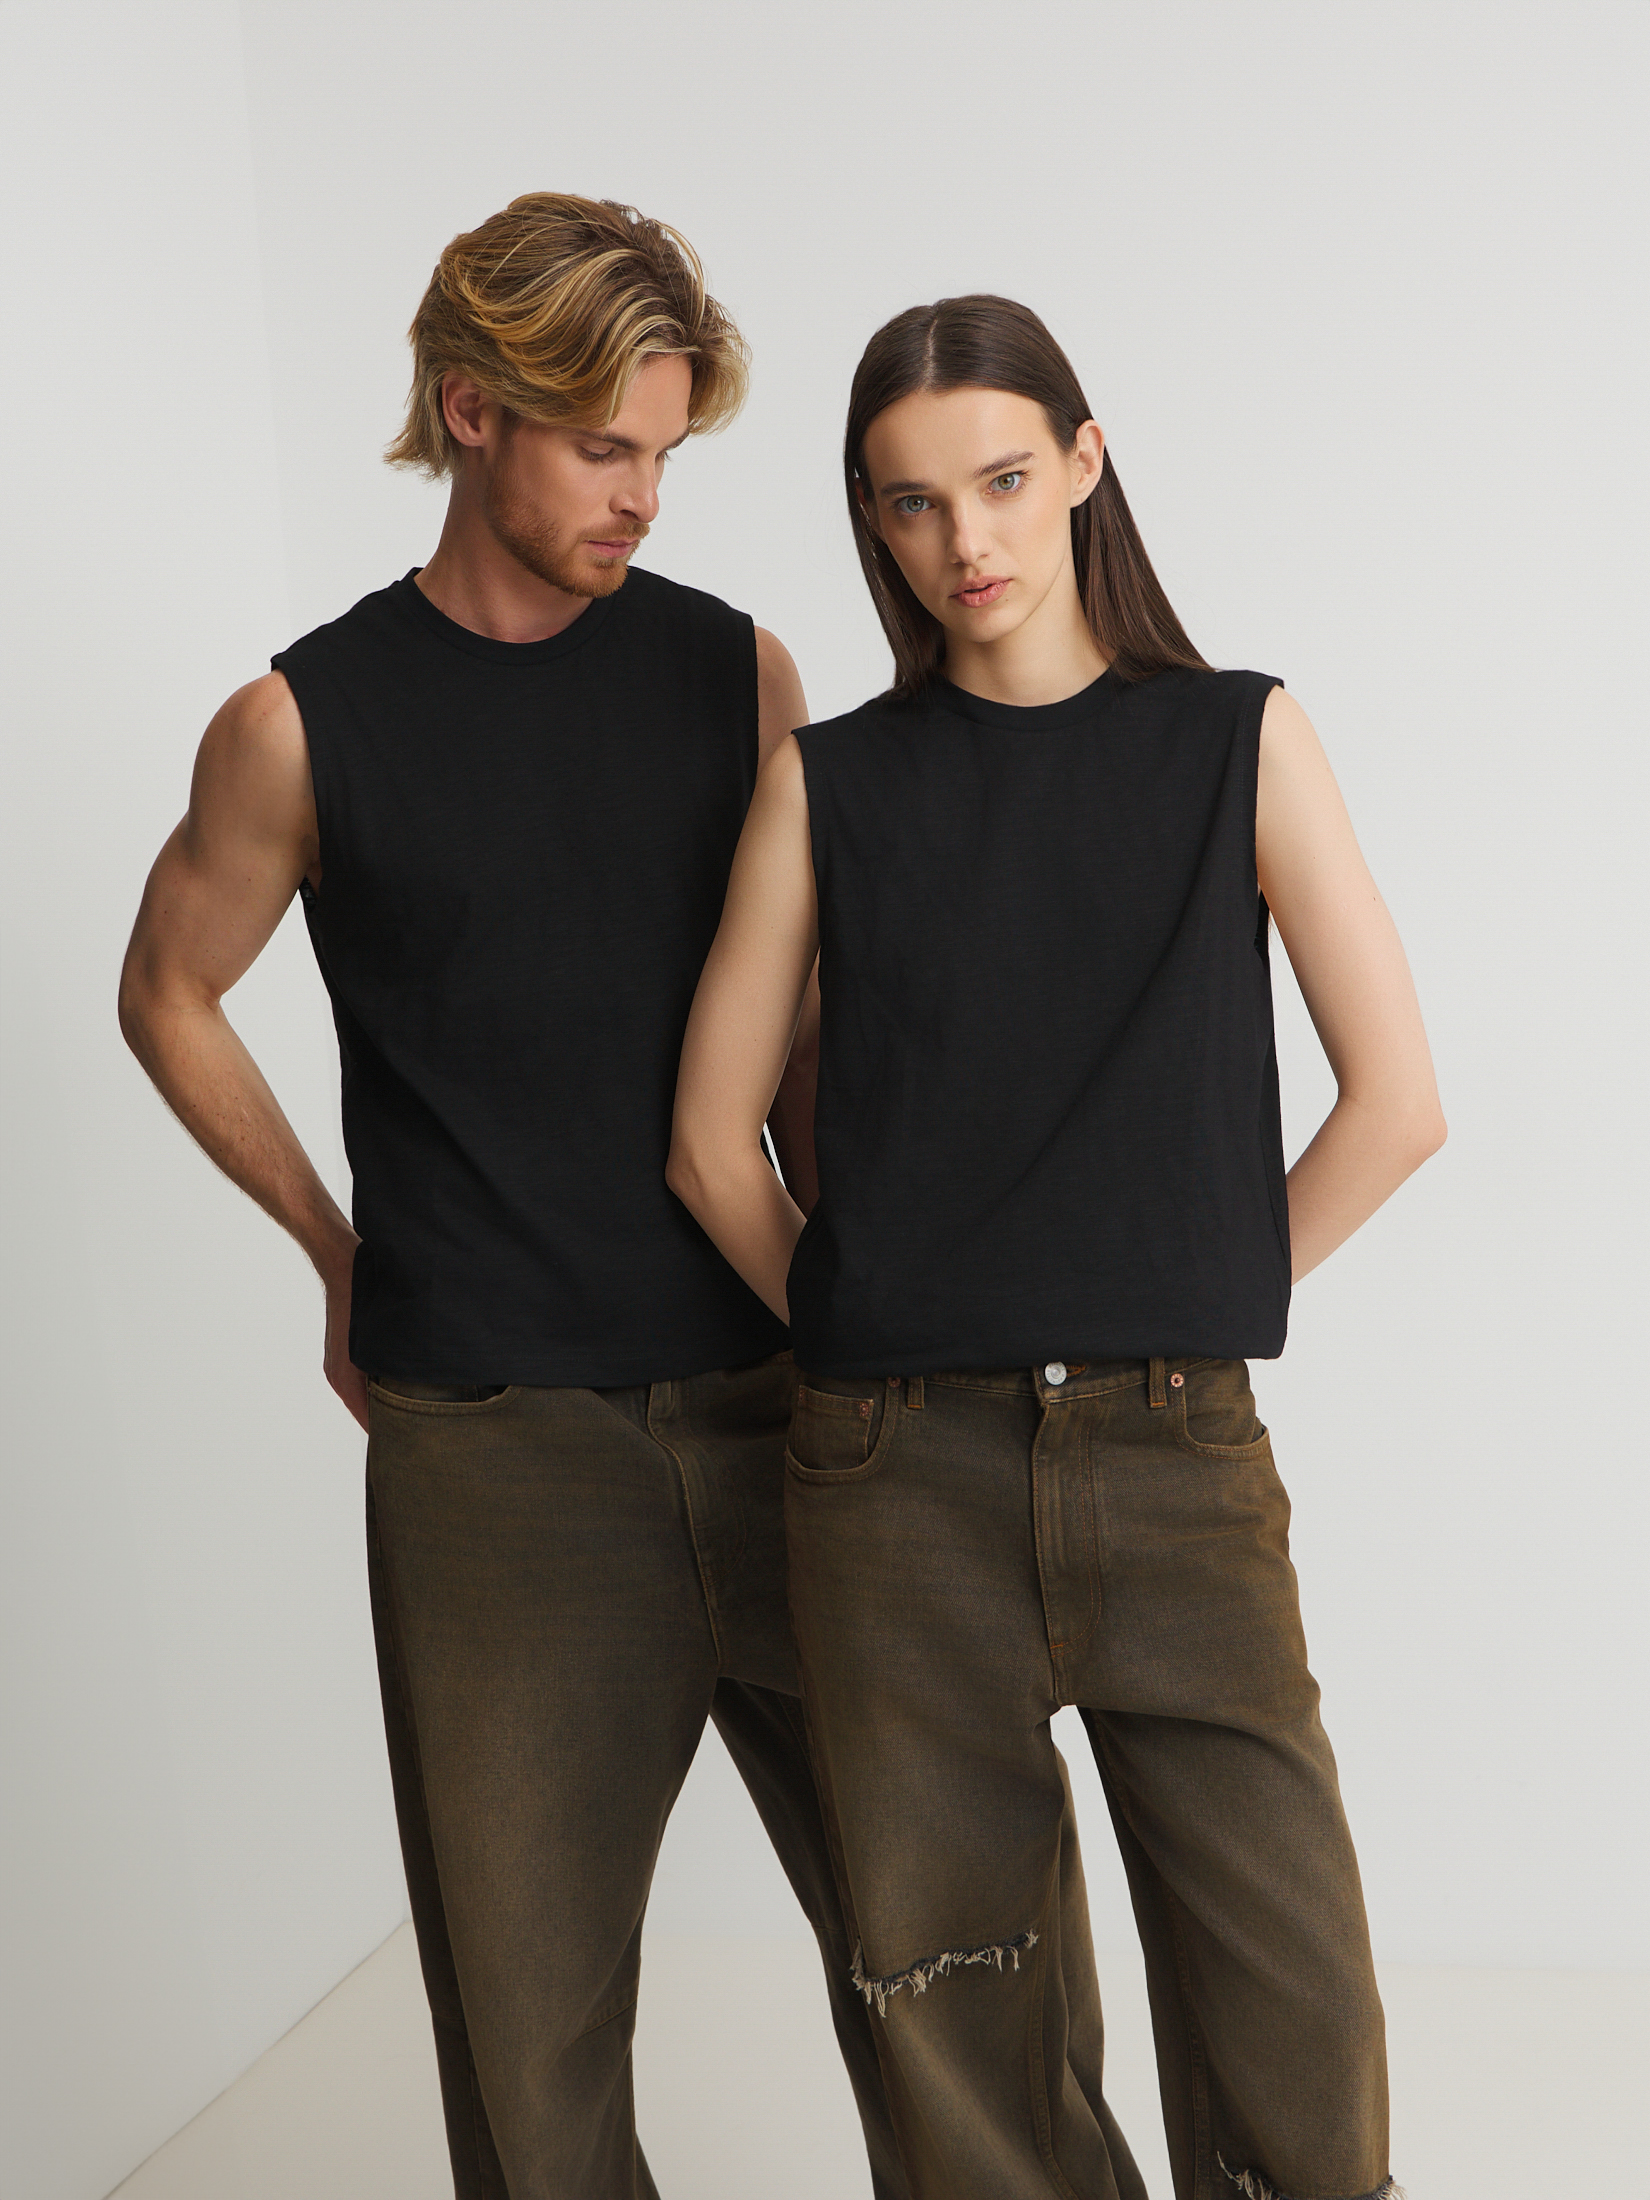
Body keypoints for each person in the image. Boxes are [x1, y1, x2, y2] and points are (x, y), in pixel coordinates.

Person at [118, 192, 907, 2200]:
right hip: (493, 1457)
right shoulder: (301, 724)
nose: (642, 495)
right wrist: (333, 1249)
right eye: (602, 447)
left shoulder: (738, 676)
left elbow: (808, 1039)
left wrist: (877, 1323)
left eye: (666, 453)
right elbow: (167, 988)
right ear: (470, 410)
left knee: (949, 1946)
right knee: (530, 2046)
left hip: (782, 1400)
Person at [669, 293, 1444, 2200]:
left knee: (1287, 1990)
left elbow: (1397, 1102)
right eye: (912, 504)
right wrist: (867, 1340)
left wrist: (1193, 1290)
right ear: (873, 520)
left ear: (1085, 462)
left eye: (1004, 481)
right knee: (958, 1996)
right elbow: (707, 1144)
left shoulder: (1237, 740)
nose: (967, 542)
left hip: (1174, 1452)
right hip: (894, 1483)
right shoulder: (830, 783)